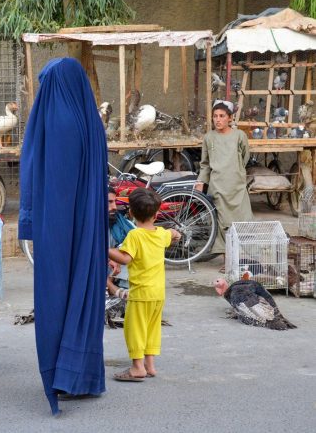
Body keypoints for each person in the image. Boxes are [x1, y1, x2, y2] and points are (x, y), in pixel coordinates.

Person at [18, 58, 108, 415]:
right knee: (84, 294)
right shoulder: (91, 122)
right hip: (90, 227)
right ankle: (81, 376)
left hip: (60, 228)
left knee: (58, 296)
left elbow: (49, 182)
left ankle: (60, 376)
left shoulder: (58, 122)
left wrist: (35, 228)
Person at [108, 188, 181, 382]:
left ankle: (137, 367)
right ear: (157, 214)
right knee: (152, 328)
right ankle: (150, 365)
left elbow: (125, 258)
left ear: (130, 213)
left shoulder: (135, 235)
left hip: (140, 294)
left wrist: (104, 248)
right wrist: (175, 233)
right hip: (158, 293)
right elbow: (172, 234)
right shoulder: (160, 234)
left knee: (135, 329)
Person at [195, 101, 253, 270]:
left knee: (240, 221)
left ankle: (237, 257)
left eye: (222, 116)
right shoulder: (209, 138)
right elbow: (205, 164)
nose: (218, 120)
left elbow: (245, 157)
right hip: (218, 186)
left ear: (230, 118)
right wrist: (201, 182)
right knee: (222, 224)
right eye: (215, 116)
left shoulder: (240, 136)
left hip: (237, 185)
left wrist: (237, 172)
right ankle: (227, 260)